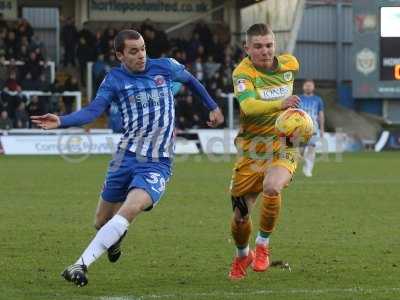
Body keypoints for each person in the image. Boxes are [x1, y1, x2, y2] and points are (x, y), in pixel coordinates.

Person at [31, 29, 224, 287]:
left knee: (129, 208)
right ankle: (115, 237)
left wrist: (212, 106)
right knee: (101, 221)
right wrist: (62, 121)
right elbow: (92, 111)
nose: (141, 55)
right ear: (120, 55)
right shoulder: (114, 79)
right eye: (133, 51)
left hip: (157, 162)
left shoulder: (165, 67)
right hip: (124, 158)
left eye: (143, 48)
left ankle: (80, 264)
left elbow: (192, 81)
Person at [228, 23, 301, 280]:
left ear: (275, 45)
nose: (264, 51)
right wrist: (281, 103)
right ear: (247, 48)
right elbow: (248, 106)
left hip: (283, 145)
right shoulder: (242, 73)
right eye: (257, 46)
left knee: (272, 187)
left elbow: (293, 109)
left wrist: (299, 122)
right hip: (252, 151)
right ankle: (242, 255)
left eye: (269, 45)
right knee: (239, 217)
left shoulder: (290, 65)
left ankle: (263, 245)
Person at [299, 79, 325, 177]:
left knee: (311, 148)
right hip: (300, 129)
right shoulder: (298, 98)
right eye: (306, 85)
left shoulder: (318, 100)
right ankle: (292, 168)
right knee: (299, 152)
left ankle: (308, 170)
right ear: (303, 87)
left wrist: (322, 129)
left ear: (313, 87)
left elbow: (321, 114)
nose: (308, 87)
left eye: (310, 85)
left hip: (313, 128)